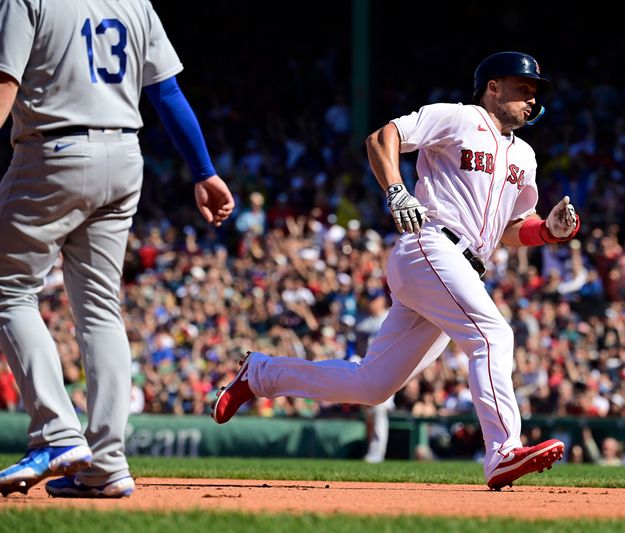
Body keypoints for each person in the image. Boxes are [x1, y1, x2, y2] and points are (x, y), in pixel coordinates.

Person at [212, 51, 580, 490]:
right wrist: (397, 191)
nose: (530, 100)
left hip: (460, 268)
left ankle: (261, 374)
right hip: (431, 245)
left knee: (372, 385)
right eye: (523, 88)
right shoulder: (459, 118)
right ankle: (502, 451)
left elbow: (515, 229)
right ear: (493, 87)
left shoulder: (526, 156)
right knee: (493, 335)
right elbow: (381, 137)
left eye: (534, 93)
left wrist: (550, 232)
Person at [0, 0, 234, 498]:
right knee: (101, 309)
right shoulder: (135, 2)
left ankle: (56, 432)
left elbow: (5, 83)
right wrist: (204, 170)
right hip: (126, 156)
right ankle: (106, 462)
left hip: (52, 151)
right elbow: (166, 92)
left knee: (7, 292)